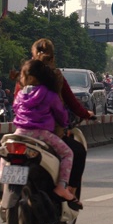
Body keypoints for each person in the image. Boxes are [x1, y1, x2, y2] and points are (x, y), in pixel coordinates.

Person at [28, 38, 94, 198]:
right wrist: (85, 115)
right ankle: (66, 189)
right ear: (52, 57)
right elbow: (69, 105)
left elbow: (15, 102)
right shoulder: (55, 78)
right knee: (76, 152)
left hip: (22, 130)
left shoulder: (25, 73)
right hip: (48, 132)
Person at [12, 59, 81, 209]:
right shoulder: (50, 95)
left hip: (19, 133)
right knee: (68, 153)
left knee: (7, 151)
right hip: (41, 134)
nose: (20, 79)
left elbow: (15, 109)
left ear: (30, 78)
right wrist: (64, 124)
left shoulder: (20, 95)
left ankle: (1, 178)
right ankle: (62, 186)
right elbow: (62, 116)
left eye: (22, 76)